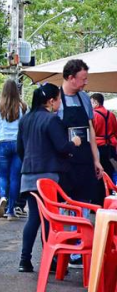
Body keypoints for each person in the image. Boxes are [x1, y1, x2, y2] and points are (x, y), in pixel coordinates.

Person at [17, 83, 82, 273]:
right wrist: (74, 143)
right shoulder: (51, 120)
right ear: (51, 100)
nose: (60, 103)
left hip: (28, 176)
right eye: (59, 99)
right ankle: (50, 260)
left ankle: (24, 260)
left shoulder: (25, 120)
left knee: (34, 218)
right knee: (49, 220)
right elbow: (62, 147)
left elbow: (20, 150)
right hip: (48, 178)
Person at [56, 59, 103, 206]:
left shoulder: (84, 98)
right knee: (65, 202)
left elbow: (91, 130)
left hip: (85, 160)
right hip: (65, 161)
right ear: (71, 78)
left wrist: (96, 160)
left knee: (84, 201)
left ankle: (82, 226)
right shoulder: (56, 100)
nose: (86, 82)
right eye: (83, 79)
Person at [0, 80, 26, 221]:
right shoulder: (21, 107)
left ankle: (3, 196)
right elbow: (23, 129)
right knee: (15, 178)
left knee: (2, 175)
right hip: (17, 144)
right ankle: (10, 210)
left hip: (2, 143)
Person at [92, 92, 117, 200]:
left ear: (96, 102)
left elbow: (92, 132)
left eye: (91, 102)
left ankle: (98, 200)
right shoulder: (111, 115)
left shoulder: (94, 115)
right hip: (111, 147)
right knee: (109, 173)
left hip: (99, 147)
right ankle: (109, 197)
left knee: (98, 174)